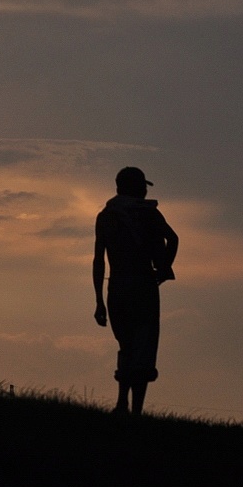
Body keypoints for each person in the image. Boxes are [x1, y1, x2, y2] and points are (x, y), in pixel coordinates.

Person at [93, 167, 179, 416]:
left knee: (126, 344)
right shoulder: (149, 214)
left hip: (117, 285)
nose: (145, 190)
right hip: (143, 285)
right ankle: (136, 411)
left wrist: (99, 301)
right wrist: (163, 268)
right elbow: (173, 239)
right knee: (144, 346)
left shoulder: (106, 215)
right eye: (143, 185)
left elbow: (99, 260)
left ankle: (122, 403)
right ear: (134, 187)